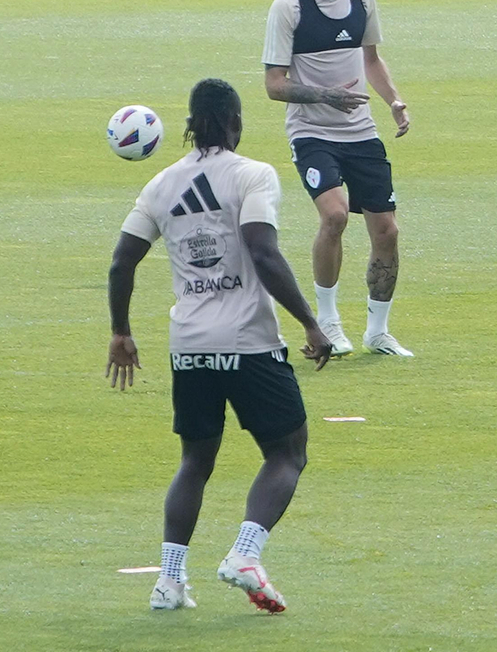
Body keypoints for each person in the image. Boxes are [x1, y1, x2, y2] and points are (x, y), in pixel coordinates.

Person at [106, 78, 333, 613]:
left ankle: (169, 581)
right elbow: (263, 250)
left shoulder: (161, 185)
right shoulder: (253, 175)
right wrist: (310, 322)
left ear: (189, 123)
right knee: (287, 451)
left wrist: (120, 331)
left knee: (195, 461)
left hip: (189, 344)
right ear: (236, 121)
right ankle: (245, 554)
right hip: (249, 342)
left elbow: (121, 262)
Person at [263, 0, 413, 356]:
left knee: (386, 231)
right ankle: (326, 322)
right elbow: (274, 85)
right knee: (335, 216)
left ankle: (378, 332)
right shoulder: (288, 6)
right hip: (311, 132)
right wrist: (325, 96)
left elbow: (370, 60)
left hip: (360, 132)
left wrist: (394, 100)